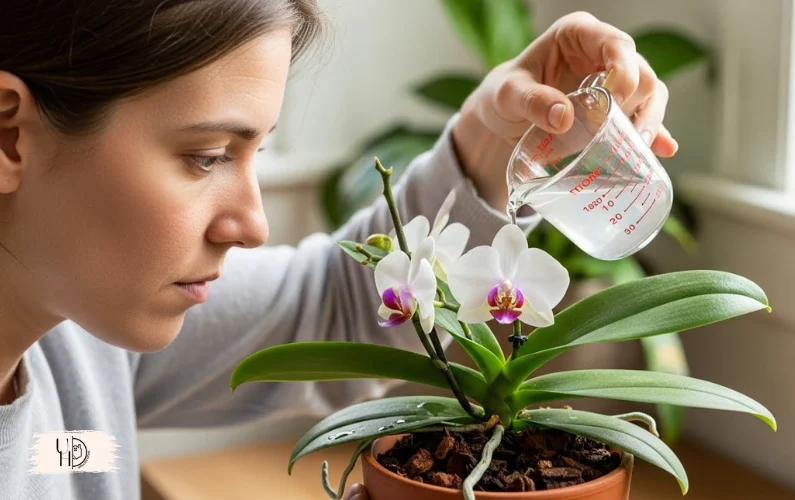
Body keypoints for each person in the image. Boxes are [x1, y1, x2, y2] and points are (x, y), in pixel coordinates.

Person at [0, 1, 677, 498]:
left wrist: (494, 138)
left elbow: (339, 307)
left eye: (254, 152)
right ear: (9, 137)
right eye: (206, 158)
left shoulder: (74, 341)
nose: (253, 224)